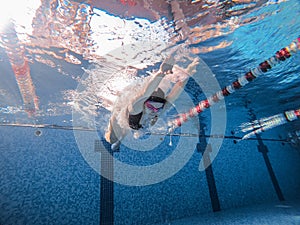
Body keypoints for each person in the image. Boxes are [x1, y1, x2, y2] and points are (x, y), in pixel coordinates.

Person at [105, 54, 199, 150]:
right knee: (113, 138)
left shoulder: (158, 110)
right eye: (151, 107)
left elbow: (172, 97)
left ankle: (121, 140)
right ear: (144, 104)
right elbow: (145, 94)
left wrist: (187, 73)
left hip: (137, 125)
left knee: (128, 131)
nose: (154, 111)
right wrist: (161, 72)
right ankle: (118, 140)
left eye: (157, 108)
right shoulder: (135, 109)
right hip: (125, 116)